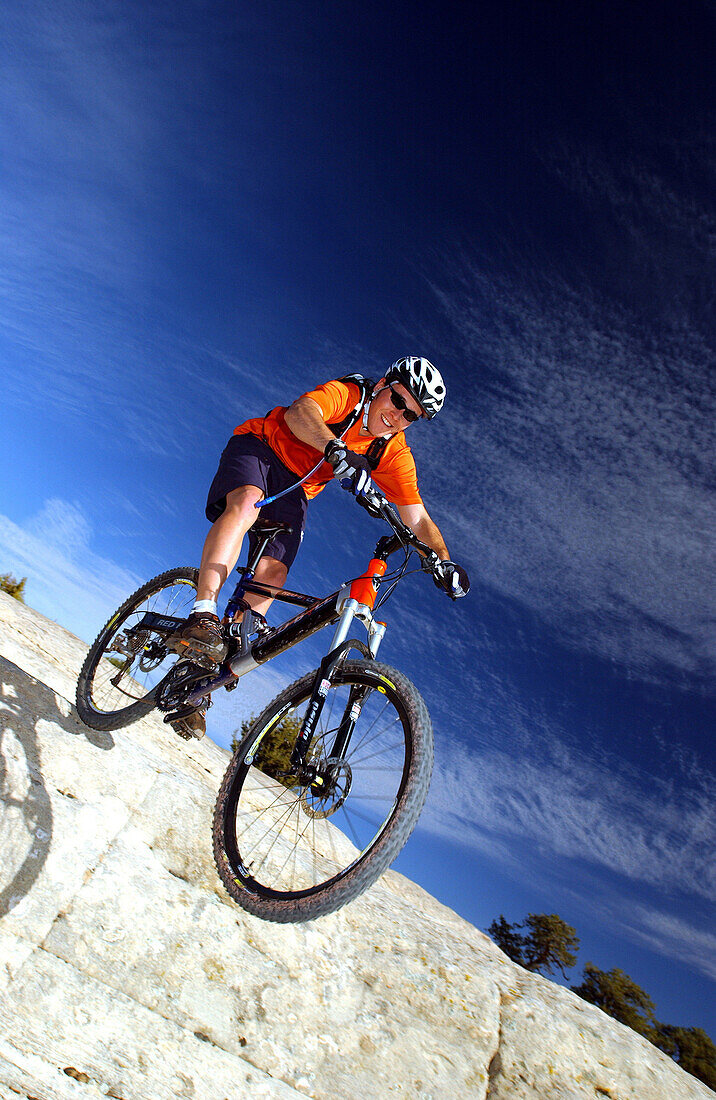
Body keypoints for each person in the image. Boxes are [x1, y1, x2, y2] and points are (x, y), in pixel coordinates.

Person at [170, 356, 469, 687]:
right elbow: (301, 413)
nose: (397, 415)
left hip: (296, 487)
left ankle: (202, 678)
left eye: (410, 414)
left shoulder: (391, 453)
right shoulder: (350, 395)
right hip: (261, 447)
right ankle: (203, 614)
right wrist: (335, 449)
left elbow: (417, 515)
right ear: (383, 385)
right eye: (398, 400)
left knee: (276, 570)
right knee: (245, 505)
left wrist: (443, 560)